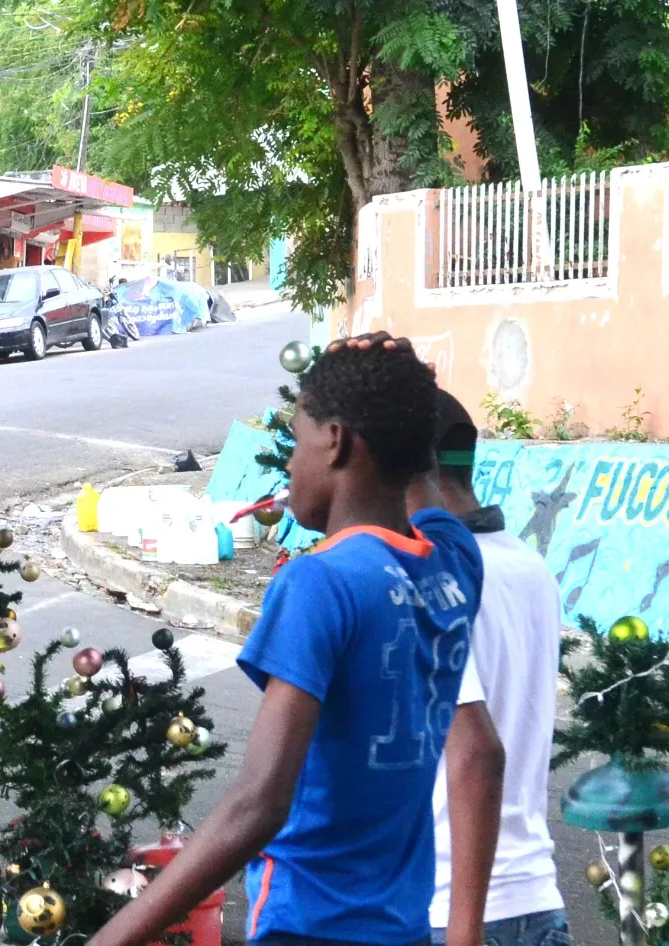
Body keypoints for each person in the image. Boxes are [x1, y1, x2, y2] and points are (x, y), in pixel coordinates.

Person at [84, 333, 489, 946]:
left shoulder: (318, 582)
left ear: (336, 441)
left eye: (298, 439)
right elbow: (425, 491)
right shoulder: (453, 565)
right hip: (403, 930)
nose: (289, 464)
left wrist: (113, 939)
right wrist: (405, 401)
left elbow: (259, 804)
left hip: (309, 927)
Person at [419, 389, 566, 946]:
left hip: (448, 909)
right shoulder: (532, 569)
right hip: (533, 894)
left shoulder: (432, 577)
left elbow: (474, 749)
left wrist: (463, 930)